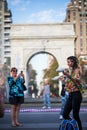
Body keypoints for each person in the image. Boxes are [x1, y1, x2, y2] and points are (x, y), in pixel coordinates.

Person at [62, 56, 83, 130]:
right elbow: (70, 83)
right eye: (67, 62)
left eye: (69, 62)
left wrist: (68, 76)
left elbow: (77, 82)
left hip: (76, 94)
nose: (67, 63)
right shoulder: (69, 71)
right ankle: (73, 126)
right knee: (65, 114)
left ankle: (78, 128)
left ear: (73, 62)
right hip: (70, 95)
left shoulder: (77, 70)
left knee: (75, 115)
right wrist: (65, 79)